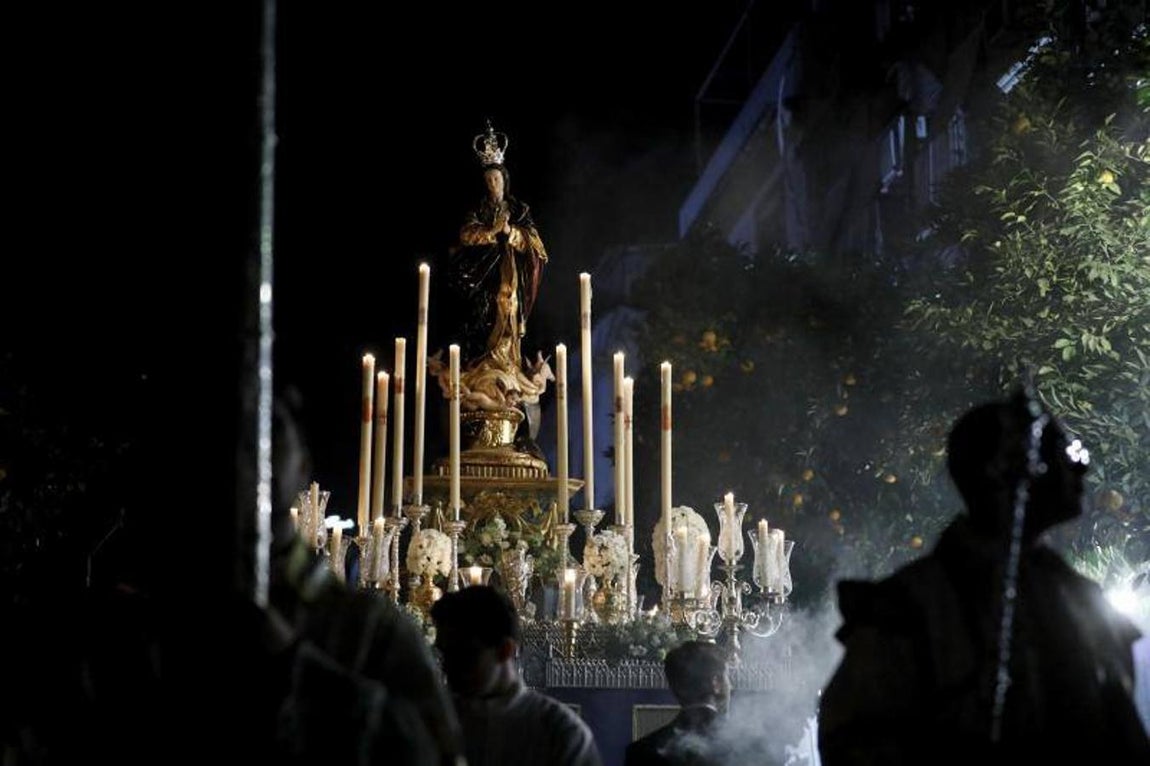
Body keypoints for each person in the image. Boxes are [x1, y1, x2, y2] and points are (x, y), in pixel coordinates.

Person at [818, 390, 1150, 765]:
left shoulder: (1079, 596)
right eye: (1067, 454)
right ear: (1007, 470)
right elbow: (853, 739)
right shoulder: (915, 607)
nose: (1083, 468)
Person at [430, 585, 602, 766]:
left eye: (464, 655)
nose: (449, 667)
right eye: (445, 654)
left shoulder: (561, 732)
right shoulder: (435, 725)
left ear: (505, 651)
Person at [445, 122, 550, 415]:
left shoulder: (518, 210)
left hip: (510, 273)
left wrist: (512, 234)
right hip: (483, 275)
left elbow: (536, 244)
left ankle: (506, 359)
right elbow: (466, 234)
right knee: (485, 313)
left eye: (497, 179)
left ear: (505, 182)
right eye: (488, 180)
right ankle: (484, 361)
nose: (493, 184)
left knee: (508, 308)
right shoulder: (478, 211)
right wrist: (491, 232)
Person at [624, 640, 731, 766]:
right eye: (727, 677)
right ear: (716, 683)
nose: (730, 685)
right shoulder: (745, 744)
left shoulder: (640, 752)